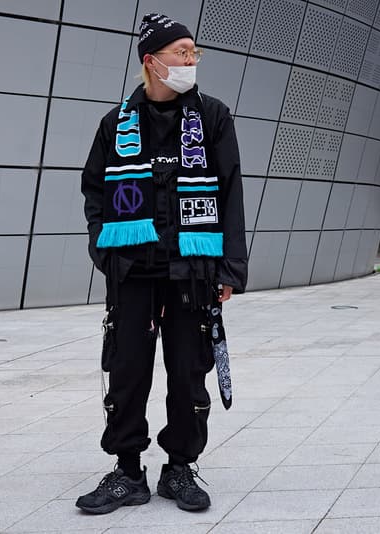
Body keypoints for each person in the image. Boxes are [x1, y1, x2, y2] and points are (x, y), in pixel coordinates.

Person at [77, 13, 247, 515]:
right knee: (127, 370)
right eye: (182, 52)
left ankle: (179, 468)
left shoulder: (212, 116)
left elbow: (231, 189)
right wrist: (105, 252)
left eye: (195, 52)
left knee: (188, 372)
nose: (192, 61)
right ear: (152, 61)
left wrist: (229, 268)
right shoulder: (116, 124)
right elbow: (94, 192)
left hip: (192, 269)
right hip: (132, 270)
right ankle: (127, 470)